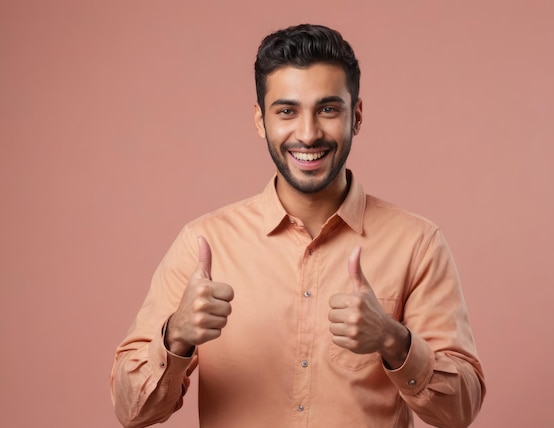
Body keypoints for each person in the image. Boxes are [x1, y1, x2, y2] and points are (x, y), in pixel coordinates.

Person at [110, 23, 486, 428]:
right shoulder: (203, 243)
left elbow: (459, 412)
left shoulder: (418, 244)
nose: (307, 134)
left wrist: (393, 342)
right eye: (287, 111)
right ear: (260, 121)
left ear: (356, 116)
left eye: (328, 109)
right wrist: (175, 336)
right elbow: (132, 412)